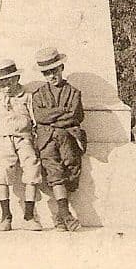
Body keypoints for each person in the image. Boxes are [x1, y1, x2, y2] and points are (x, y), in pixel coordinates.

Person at [0, 59, 43, 232]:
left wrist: (37, 138)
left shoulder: (26, 96)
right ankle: (6, 215)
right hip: (2, 140)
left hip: (24, 138)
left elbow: (35, 118)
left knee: (32, 170)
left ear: (17, 78)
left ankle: (29, 216)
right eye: (1, 84)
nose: (6, 87)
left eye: (9, 82)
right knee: (2, 174)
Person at [30, 46, 87, 231]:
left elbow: (75, 115)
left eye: (54, 71)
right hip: (46, 140)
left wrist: (52, 116)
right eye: (46, 73)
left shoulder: (74, 93)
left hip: (69, 138)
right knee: (54, 172)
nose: (51, 76)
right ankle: (66, 214)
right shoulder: (38, 94)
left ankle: (60, 216)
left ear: (61, 68)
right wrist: (61, 111)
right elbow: (40, 117)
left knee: (70, 170)